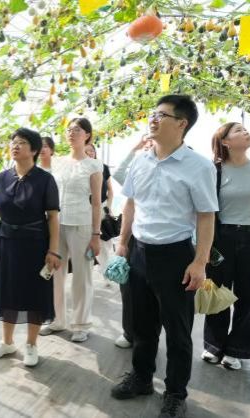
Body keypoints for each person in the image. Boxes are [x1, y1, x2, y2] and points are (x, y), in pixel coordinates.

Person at [111, 95, 217, 418]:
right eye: (153, 114)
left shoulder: (199, 166)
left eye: (162, 115)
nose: (153, 119)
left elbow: (206, 216)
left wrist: (200, 262)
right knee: (142, 325)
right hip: (140, 253)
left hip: (176, 257)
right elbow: (130, 203)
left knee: (178, 331)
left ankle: (175, 393)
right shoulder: (140, 161)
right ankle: (142, 378)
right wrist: (123, 242)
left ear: (182, 124)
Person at [0, 127, 61, 367]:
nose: (15, 146)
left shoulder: (45, 179)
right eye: (13, 142)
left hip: (36, 244)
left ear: (34, 150)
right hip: (7, 243)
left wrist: (53, 250)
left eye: (22, 142)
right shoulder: (2, 178)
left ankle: (31, 345)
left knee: (35, 293)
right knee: (8, 291)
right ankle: (7, 342)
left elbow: (53, 217)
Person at [201, 122, 250, 371]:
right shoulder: (214, 171)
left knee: (248, 297)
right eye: (238, 131)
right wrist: (204, 245)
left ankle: (237, 350)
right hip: (221, 238)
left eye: (245, 129)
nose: (245, 132)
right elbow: (205, 211)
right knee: (217, 292)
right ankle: (214, 345)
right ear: (225, 142)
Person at [39, 117, 103, 342]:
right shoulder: (57, 163)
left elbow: (97, 203)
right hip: (57, 225)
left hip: (82, 226)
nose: (71, 133)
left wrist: (96, 234)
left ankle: (81, 324)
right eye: (69, 130)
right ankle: (57, 320)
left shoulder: (94, 165)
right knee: (55, 273)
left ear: (87, 135)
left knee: (82, 277)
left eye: (77, 129)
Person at [111, 134, 153, 349]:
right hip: (134, 235)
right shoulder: (139, 166)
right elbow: (118, 173)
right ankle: (130, 332)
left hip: (166, 240)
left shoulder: (182, 163)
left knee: (156, 293)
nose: (150, 146)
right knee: (129, 288)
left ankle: (149, 336)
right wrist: (135, 148)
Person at [84, 143, 114, 269]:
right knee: (86, 242)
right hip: (85, 210)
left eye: (92, 150)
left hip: (101, 208)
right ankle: (90, 268)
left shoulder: (103, 167)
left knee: (104, 242)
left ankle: (106, 270)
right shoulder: (80, 170)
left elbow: (110, 190)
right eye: (86, 151)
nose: (89, 153)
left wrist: (108, 207)